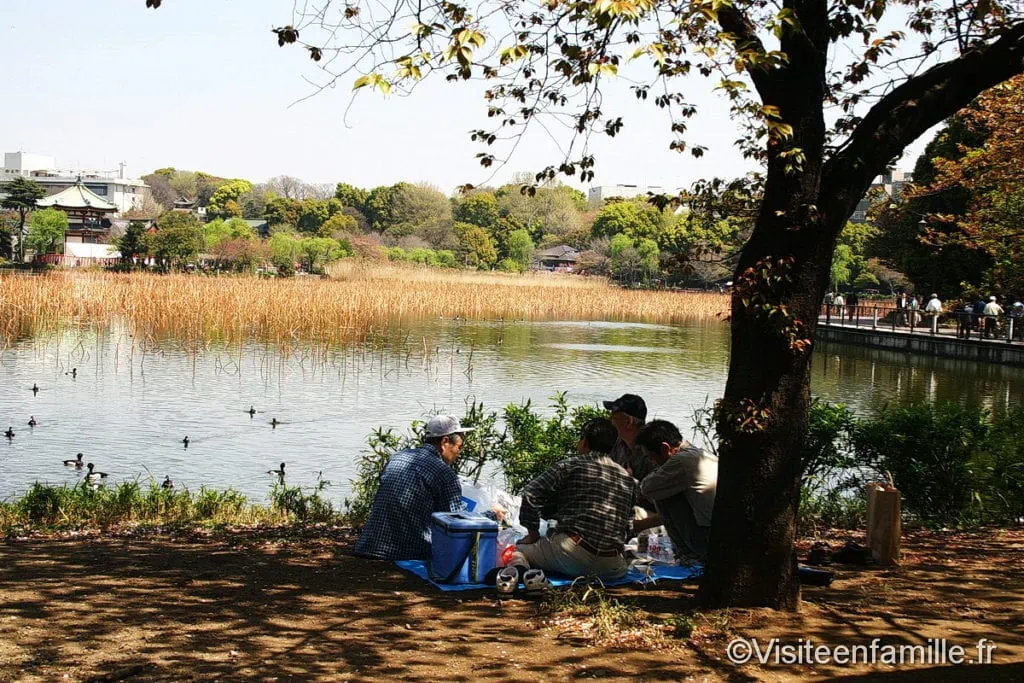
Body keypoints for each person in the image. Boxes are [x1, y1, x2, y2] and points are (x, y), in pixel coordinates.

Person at [508, 418, 637, 580]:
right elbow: (629, 524)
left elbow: (530, 494)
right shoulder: (628, 478)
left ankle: (521, 576)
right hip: (612, 566)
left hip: (571, 553)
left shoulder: (570, 466)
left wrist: (532, 534)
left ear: (585, 442)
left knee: (518, 550)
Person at [354, 415, 472, 560]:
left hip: (369, 546)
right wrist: (492, 516)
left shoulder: (397, 457)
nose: (459, 453)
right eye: (459, 447)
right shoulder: (443, 473)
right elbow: (456, 521)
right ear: (445, 442)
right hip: (408, 554)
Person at [633, 420, 718, 561]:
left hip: (707, 541)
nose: (652, 462)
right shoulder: (701, 454)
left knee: (662, 492)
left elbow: (647, 488)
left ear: (665, 448)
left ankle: (687, 554)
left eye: (651, 457)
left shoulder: (681, 461)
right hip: (719, 534)